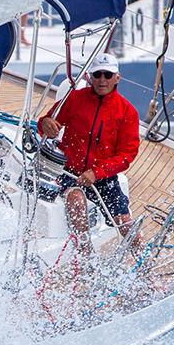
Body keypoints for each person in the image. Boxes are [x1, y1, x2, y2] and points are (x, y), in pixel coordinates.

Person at [37, 54, 140, 258]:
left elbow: (127, 154)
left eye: (108, 74)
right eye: (98, 74)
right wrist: (46, 123)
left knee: (125, 222)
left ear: (117, 78)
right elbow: (45, 124)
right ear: (89, 76)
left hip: (104, 177)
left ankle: (147, 269)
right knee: (75, 198)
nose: (102, 79)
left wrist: (97, 172)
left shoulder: (127, 111)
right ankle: (86, 257)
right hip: (70, 173)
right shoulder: (74, 99)